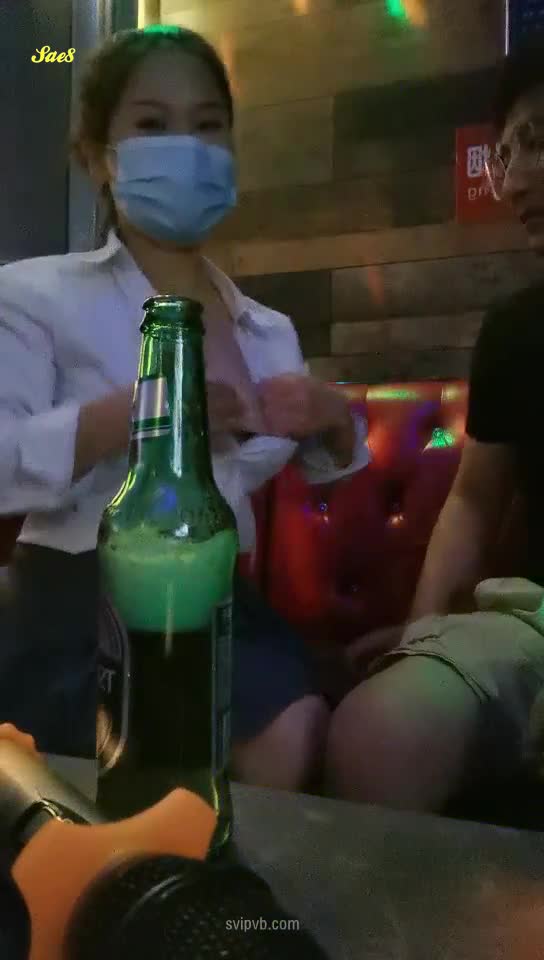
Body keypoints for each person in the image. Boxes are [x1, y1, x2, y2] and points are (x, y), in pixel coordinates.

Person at [0, 26, 370, 791]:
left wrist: (334, 424)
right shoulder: (34, 294)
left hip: (222, 601)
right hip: (79, 605)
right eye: (152, 123)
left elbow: (309, 466)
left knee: (299, 732)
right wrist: (143, 412)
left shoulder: (268, 330)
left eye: (208, 125)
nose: (187, 147)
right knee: (242, 741)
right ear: (96, 157)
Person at [327, 36, 544, 811]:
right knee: (378, 733)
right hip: (532, 619)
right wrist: (423, 632)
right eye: (507, 152)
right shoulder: (516, 331)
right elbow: (474, 502)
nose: (513, 179)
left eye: (539, 142)